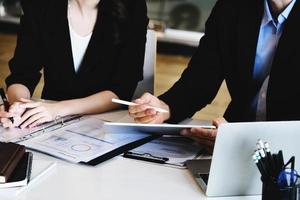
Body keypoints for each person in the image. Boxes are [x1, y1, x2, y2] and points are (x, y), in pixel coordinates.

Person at [129, 0, 300, 152]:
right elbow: (200, 80)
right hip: (233, 147)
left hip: (291, 155)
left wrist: (242, 140)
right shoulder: (232, 6)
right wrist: (164, 107)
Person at [0, 0, 148, 128]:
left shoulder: (132, 6)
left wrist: (57, 109)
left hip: (106, 123)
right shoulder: (40, 5)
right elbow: (22, 74)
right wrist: (19, 106)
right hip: (51, 123)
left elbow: (121, 91)